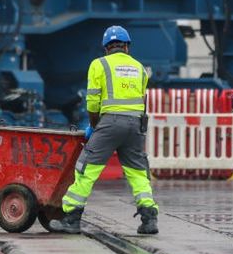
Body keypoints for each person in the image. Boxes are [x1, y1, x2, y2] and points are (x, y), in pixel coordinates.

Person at [50, 25, 158, 235]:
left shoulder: (99, 65)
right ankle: (149, 219)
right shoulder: (139, 68)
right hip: (136, 125)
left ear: (106, 47)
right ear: (126, 46)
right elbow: (142, 101)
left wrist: (93, 126)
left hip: (109, 123)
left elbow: (92, 102)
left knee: (86, 169)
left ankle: (71, 219)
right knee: (137, 172)